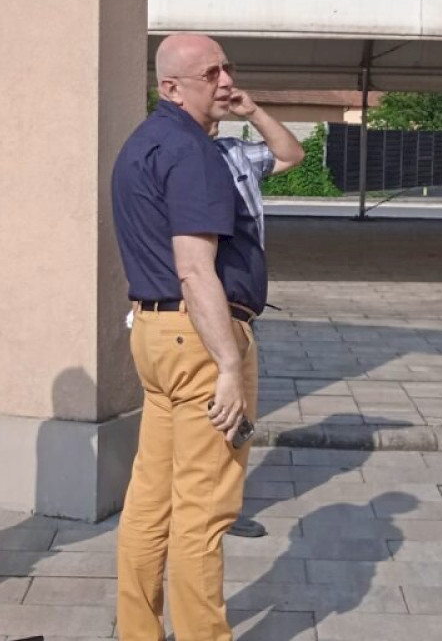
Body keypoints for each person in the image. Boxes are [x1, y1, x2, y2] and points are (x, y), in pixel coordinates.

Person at [111, 33, 269, 641]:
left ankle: (138, 632)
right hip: (200, 339)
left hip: (155, 336)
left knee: (151, 501)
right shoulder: (193, 153)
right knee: (204, 512)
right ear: (172, 88)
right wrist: (228, 365)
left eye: (227, 68)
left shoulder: (141, 145)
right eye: (211, 74)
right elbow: (195, 269)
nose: (226, 81)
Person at [211, 94, 303, 540]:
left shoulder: (234, 154)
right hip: (212, 311)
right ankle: (210, 511)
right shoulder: (175, 157)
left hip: (242, 312)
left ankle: (221, 505)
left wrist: (253, 112)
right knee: (218, 415)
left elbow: (292, 154)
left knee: (238, 416)